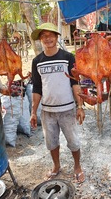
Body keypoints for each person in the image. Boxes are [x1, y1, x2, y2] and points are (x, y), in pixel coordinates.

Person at [30, 22, 86, 184]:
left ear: (56, 37)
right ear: (40, 40)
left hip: (67, 108)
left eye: (50, 35)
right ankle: (56, 166)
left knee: (73, 141)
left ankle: (77, 167)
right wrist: (33, 111)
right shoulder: (37, 61)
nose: (47, 39)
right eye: (43, 36)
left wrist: (80, 106)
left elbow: (75, 83)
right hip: (47, 111)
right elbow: (37, 88)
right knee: (51, 142)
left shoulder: (68, 58)